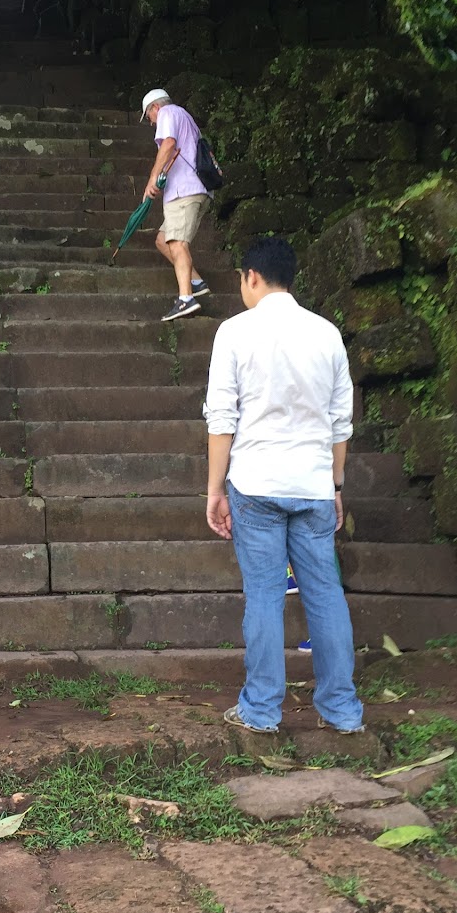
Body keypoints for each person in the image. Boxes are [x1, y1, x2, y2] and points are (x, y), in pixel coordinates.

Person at [203, 236, 365, 736]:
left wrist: (214, 490)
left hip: (255, 484)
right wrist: (336, 486)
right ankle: (342, 710)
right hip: (313, 485)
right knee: (326, 595)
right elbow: (340, 423)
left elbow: (222, 420)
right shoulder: (327, 334)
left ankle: (260, 710)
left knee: (264, 596)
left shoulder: (234, 332)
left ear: (251, 276)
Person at [140, 88, 212, 323]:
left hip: (185, 191)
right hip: (195, 189)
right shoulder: (185, 117)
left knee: (177, 243)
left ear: (155, 107)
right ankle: (196, 282)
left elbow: (169, 143)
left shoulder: (168, 113)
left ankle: (186, 299)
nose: (151, 122)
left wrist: (153, 177)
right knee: (163, 240)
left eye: (149, 116)